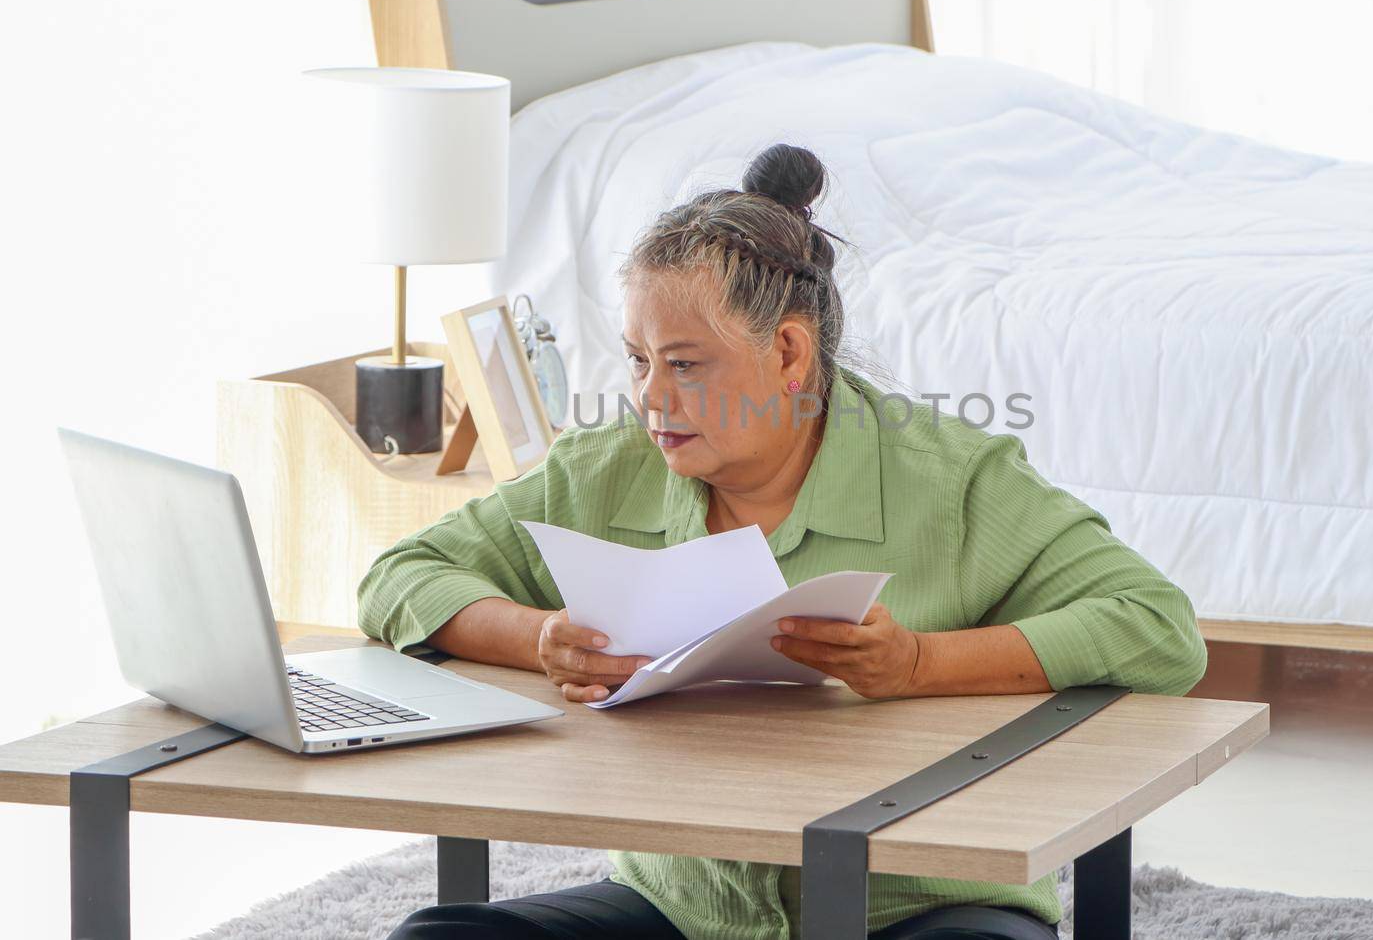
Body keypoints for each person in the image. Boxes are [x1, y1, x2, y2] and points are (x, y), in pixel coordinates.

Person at [360, 144, 1208, 940]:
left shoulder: (952, 478)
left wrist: (919, 664)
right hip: (687, 911)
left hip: (917, 908)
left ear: (790, 352)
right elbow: (402, 574)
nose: (652, 398)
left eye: (685, 364)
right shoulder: (607, 465)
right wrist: (538, 638)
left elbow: (1159, 626)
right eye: (638, 361)